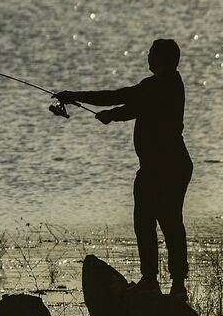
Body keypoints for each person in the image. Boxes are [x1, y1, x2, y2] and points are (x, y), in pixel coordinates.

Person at [56, 39, 192, 300]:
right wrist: (84, 101)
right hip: (174, 165)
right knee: (171, 222)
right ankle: (176, 285)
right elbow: (130, 103)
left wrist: (93, 106)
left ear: (161, 59)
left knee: (148, 222)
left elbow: (122, 100)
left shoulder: (157, 86)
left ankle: (153, 281)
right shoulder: (173, 83)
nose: (147, 57)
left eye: (151, 54)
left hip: (159, 168)